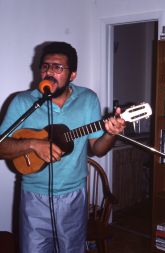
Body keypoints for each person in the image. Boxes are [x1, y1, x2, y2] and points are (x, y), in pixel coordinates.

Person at [0, 41, 125, 253]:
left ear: (72, 75)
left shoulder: (87, 99)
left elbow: (98, 149)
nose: (50, 72)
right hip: (33, 197)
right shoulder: (22, 102)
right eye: (45, 66)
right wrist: (33, 144)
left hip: (73, 196)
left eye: (58, 68)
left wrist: (110, 134)